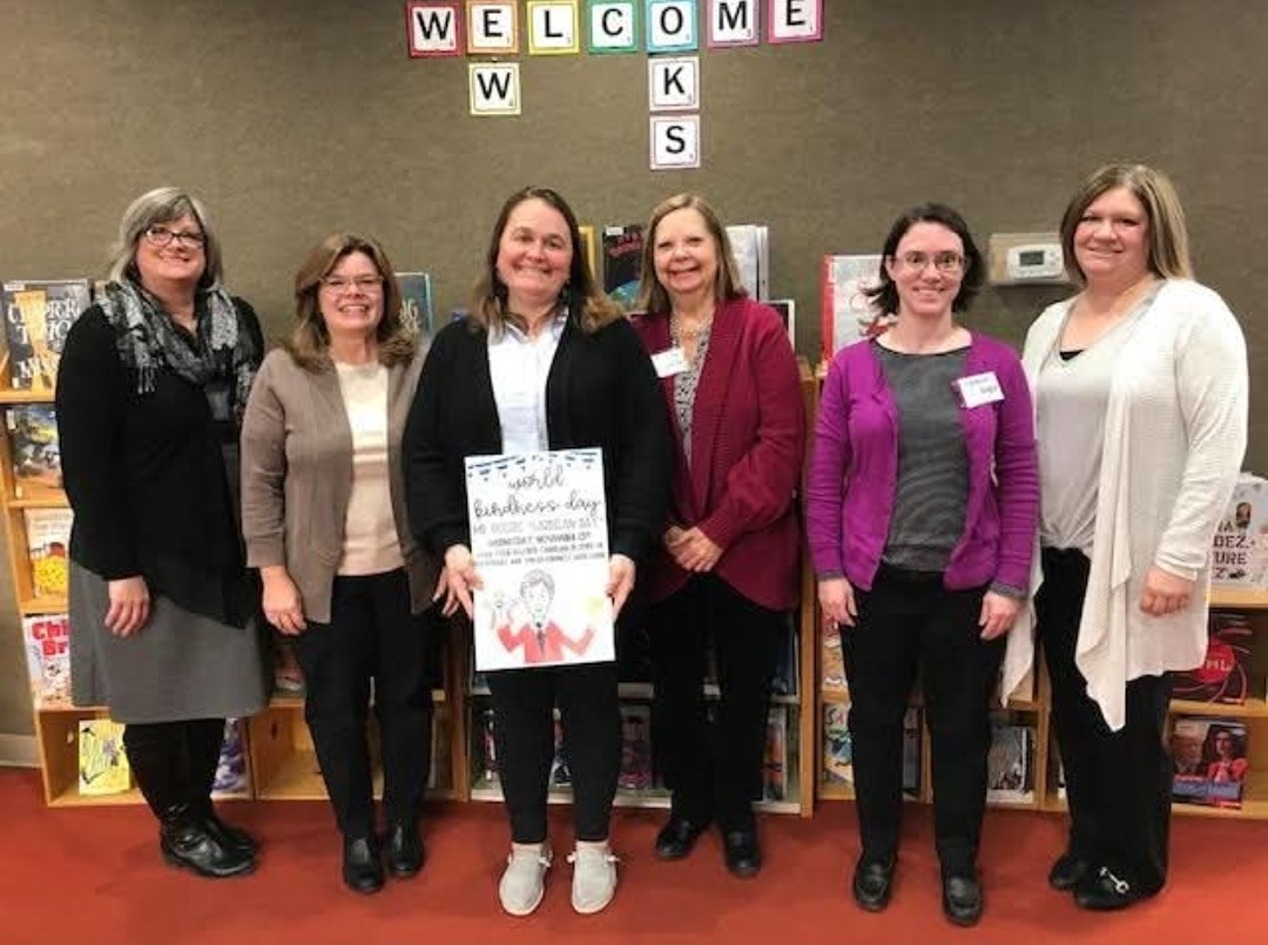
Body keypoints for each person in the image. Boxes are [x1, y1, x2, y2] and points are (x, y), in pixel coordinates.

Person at [402, 186, 670, 917]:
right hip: (496, 566)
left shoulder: (608, 337)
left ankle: (590, 843)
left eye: (553, 242)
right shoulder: (457, 346)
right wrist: (449, 545)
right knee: (515, 711)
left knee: (590, 708)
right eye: (523, 238)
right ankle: (526, 844)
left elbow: (649, 447)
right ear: (498, 249)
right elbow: (422, 454)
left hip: (589, 560)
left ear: (571, 259)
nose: (537, 253)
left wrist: (629, 547)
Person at [1004, 163, 1248, 911]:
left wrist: (1178, 557)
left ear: (1155, 232)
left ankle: (1135, 860)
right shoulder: (1052, 321)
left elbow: (1217, 444)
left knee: (1131, 718)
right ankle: (1089, 840)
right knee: (1076, 713)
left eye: (1125, 221)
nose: (1105, 233)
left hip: (1138, 563)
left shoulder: (1191, 314)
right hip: (1056, 558)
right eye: (1092, 218)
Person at [806, 204, 1038, 926]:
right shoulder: (852, 366)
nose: (930, 272)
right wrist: (830, 570)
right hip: (873, 587)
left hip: (966, 591)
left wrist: (1008, 579)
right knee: (874, 722)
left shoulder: (996, 364)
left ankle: (958, 859)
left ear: (963, 270)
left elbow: (1021, 471)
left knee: (963, 727)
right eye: (915, 258)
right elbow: (823, 476)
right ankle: (877, 850)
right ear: (891, 268)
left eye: (946, 259)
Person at [56, 187, 266, 878]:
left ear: (208, 251)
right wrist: (121, 568)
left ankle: (200, 810)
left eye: (191, 235)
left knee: (206, 694)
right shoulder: (102, 332)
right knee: (152, 702)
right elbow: (83, 463)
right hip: (138, 560)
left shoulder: (237, 322)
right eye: (160, 231)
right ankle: (177, 825)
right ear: (134, 242)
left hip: (217, 547)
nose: (177, 243)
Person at [240, 234, 445, 895]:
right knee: (334, 709)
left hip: (408, 573)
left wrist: (451, 552)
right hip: (320, 584)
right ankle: (357, 830)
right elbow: (258, 478)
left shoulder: (416, 366)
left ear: (387, 293)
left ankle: (406, 821)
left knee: (410, 703)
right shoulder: (284, 371)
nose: (353, 293)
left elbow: (444, 463)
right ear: (314, 296)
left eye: (366, 280)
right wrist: (271, 572)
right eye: (337, 282)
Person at [629, 193, 805, 878]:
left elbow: (780, 443)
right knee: (672, 690)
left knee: (744, 691)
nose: (680, 256)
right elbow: (633, 442)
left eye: (692, 242)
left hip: (748, 549)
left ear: (717, 251)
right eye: (666, 245)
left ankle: (735, 813)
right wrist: (670, 527)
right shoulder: (638, 336)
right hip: (667, 550)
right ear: (652, 259)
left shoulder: (758, 329)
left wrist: (718, 529)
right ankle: (688, 804)